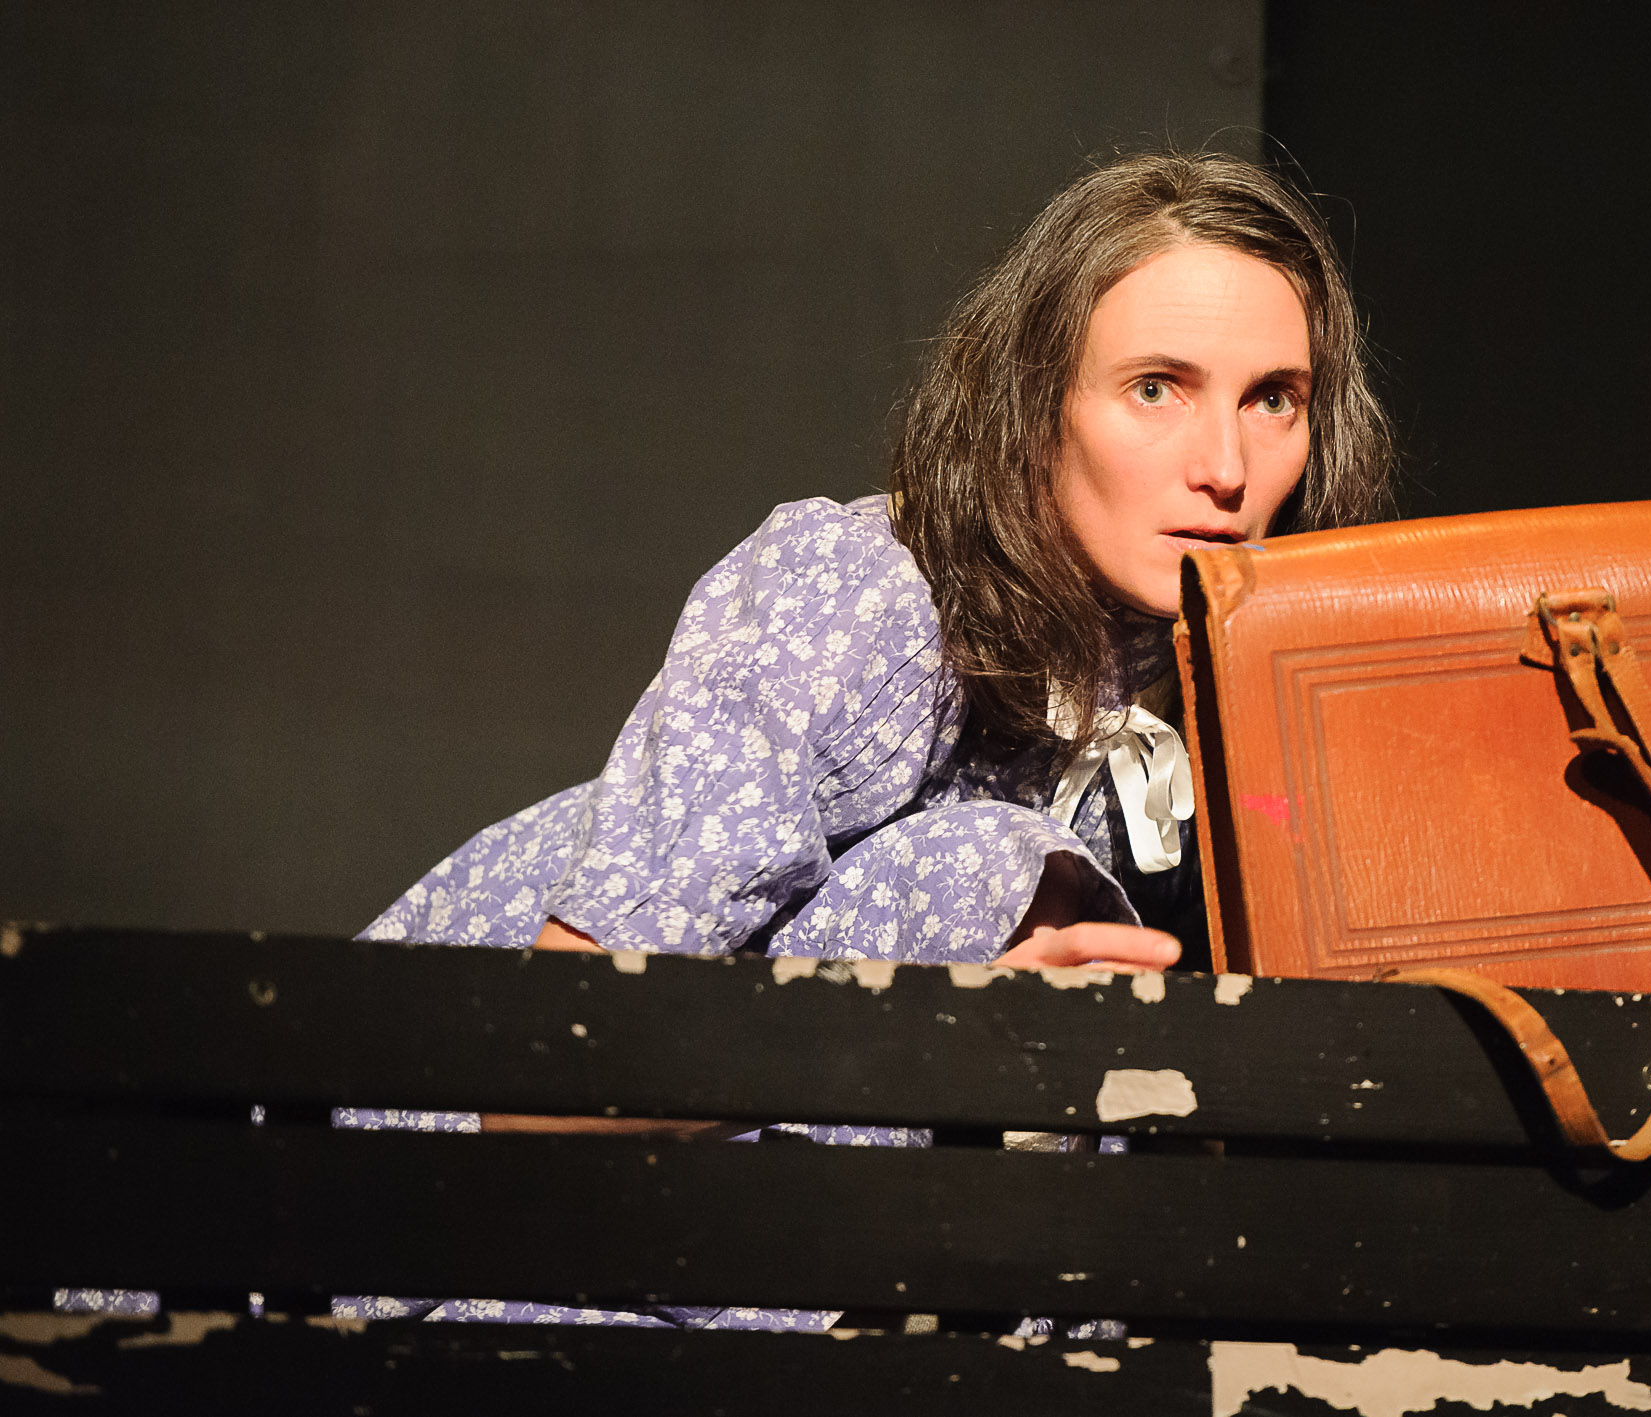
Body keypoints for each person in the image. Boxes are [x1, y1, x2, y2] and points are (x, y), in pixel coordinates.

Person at [345, 149, 1396, 1329]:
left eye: (1272, 399)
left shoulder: (1232, 683)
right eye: (1155, 388)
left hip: (742, 1256)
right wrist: (936, 1039)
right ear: (1032, 406)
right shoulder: (868, 600)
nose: (1225, 469)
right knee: (989, 865)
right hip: (385, 1211)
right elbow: (539, 1091)